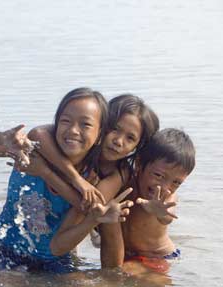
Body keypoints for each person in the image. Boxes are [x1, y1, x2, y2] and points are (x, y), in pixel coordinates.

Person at [0, 87, 132, 273]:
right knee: (3, 285)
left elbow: (81, 211)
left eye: (85, 125)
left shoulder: (93, 180)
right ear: (55, 125)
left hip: (55, 259)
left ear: (99, 136)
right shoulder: (31, 153)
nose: (73, 130)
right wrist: (0, 137)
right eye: (65, 121)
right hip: (8, 251)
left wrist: (48, 173)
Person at [26, 95, 159, 261]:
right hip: (62, 222)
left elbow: (88, 205)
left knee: (110, 219)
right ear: (101, 124)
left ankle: (112, 277)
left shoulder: (120, 172)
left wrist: (45, 173)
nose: (118, 141)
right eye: (114, 129)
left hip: (105, 220)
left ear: (138, 146)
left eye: (130, 138)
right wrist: (76, 178)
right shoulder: (80, 143)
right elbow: (37, 134)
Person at [116, 128, 196, 273]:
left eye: (176, 182)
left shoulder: (167, 198)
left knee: (121, 274)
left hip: (158, 256)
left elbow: (168, 216)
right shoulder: (127, 182)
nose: (165, 187)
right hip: (130, 255)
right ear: (139, 164)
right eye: (159, 175)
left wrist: (160, 212)